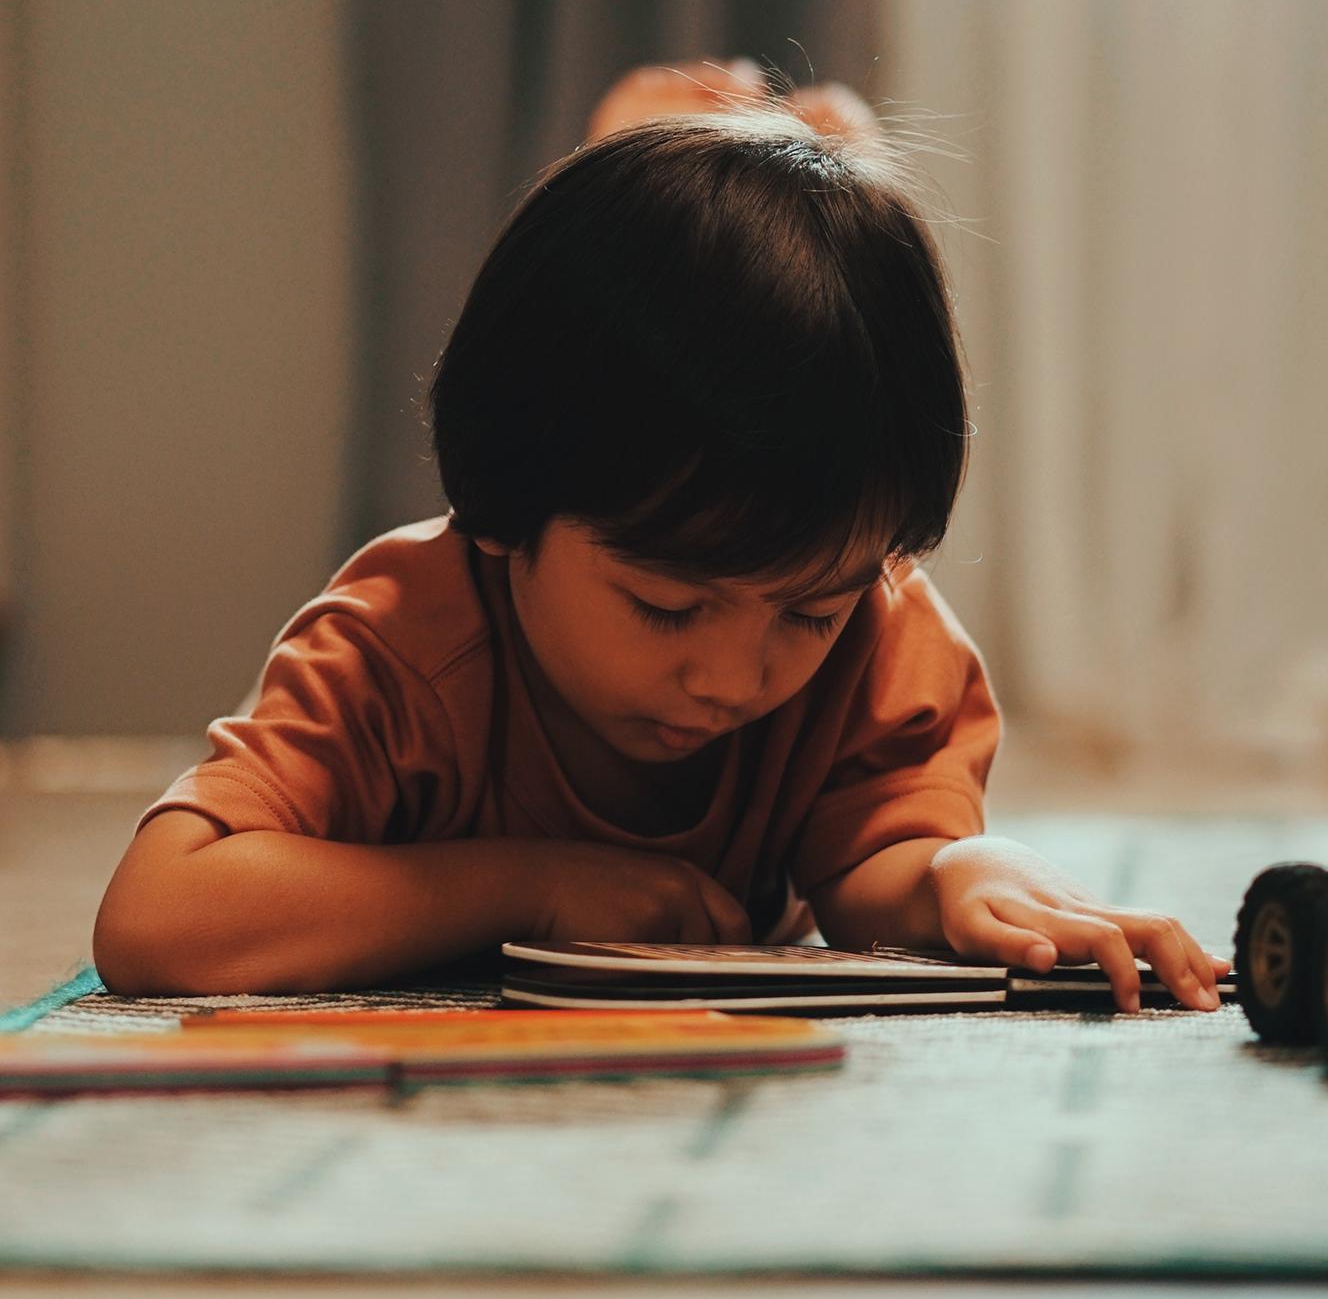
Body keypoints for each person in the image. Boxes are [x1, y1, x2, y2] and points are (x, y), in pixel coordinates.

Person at [92, 59, 1231, 1011]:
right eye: (668, 607)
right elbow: (159, 918)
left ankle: (728, 137)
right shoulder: (404, 641)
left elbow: (870, 863)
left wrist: (964, 873)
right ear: (503, 505)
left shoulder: (875, 622)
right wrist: (526, 885)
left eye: (807, 613)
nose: (734, 676)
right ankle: (666, 129)